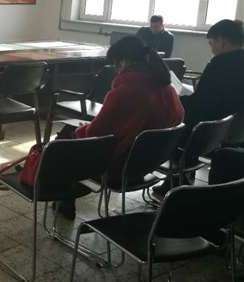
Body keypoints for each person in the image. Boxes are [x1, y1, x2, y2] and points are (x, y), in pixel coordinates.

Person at [56, 36, 184, 218]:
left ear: (125, 61)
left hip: (120, 166)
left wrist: (82, 130)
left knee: (66, 138)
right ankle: (60, 188)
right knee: (75, 136)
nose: (116, 70)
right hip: (150, 162)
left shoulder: (126, 91)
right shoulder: (168, 88)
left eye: (116, 64)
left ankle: (59, 194)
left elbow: (95, 133)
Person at [152, 19, 244, 197]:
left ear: (222, 41)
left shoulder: (219, 64)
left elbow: (201, 102)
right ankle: (184, 176)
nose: (212, 49)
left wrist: (178, 99)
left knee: (178, 123)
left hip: (213, 126)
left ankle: (177, 181)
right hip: (235, 125)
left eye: (212, 43)